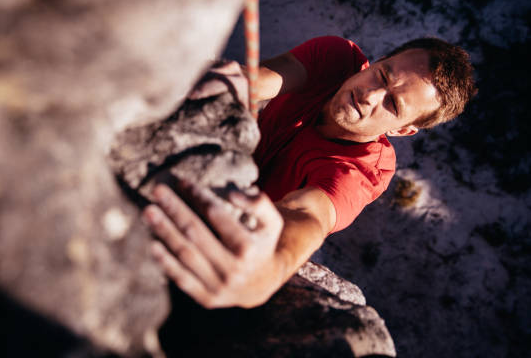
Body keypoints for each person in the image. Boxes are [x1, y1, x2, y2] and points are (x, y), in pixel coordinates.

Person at [142, 35, 476, 309]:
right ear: (375, 62)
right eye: (383, 75)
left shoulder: (363, 172)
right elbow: (261, 80)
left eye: (393, 105)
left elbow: (310, 215)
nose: (370, 95)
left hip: (242, 218)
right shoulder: (337, 58)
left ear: (403, 130)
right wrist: (225, 81)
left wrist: (271, 269)